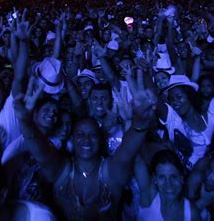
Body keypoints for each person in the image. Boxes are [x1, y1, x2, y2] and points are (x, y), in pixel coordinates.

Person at [15, 68, 157, 220]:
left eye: (92, 135)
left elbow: (128, 151)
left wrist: (141, 121)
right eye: (80, 134)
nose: (86, 139)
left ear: (101, 139)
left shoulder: (110, 172)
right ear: (73, 140)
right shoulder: (63, 170)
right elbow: (42, 154)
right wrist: (26, 123)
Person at [135, 150, 200, 221]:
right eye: (162, 177)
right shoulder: (149, 197)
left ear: (181, 178)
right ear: (155, 179)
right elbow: (132, 152)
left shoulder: (192, 214)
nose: (168, 184)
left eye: (173, 176)